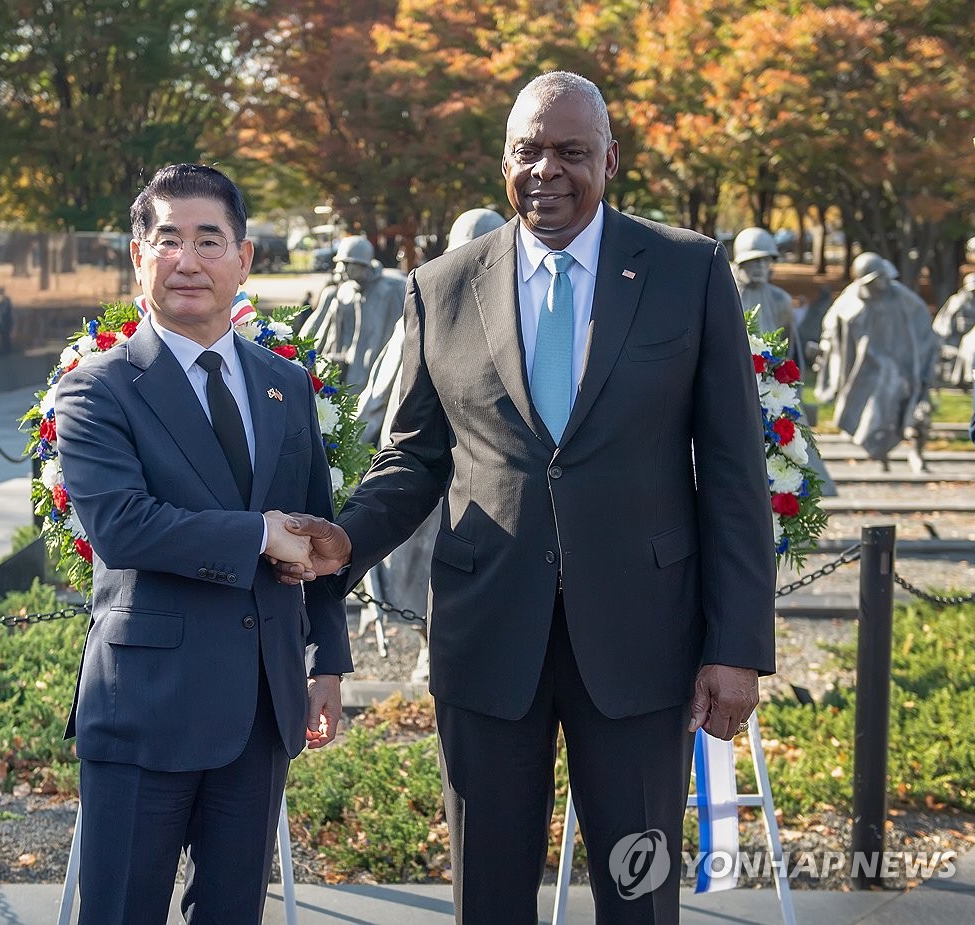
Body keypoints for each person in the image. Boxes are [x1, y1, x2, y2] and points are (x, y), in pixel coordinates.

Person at [278, 72, 775, 924]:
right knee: (490, 893)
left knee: (638, 888)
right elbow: (415, 456)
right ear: (503, 159)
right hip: (487, 637)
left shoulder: (688, 272)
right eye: (528, 150)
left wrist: (738, 645)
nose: (547, 170)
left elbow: (733, 472)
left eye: (571, 152)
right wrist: (345, 542)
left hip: (641, 638)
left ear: (610, 159)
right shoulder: (441, 285)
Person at [52, 163, 352, 925]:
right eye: (168, 240)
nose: (188, 260)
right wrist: (257, 534)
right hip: (144, 705)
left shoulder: (286, 387)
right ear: (137, 255)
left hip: (259, 707)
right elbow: (122, 524)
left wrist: (329, 663)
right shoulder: (97, 388)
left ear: (243, 258)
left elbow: (314, 531)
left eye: (209, 240)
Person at [355, 207, 507, 676]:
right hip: (419, 455)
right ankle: (427, 642)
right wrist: (358, 433)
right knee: (415, 559)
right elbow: (385, 382)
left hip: (478, 464)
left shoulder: (513, 307)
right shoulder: (430, 297)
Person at [814, 251, 939, 472]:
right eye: (876, 279)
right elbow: (831, 328)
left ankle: (915, 453)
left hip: (903, 367)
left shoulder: (901, 297)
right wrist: (825, 349)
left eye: (883, 277)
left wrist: (924, 363)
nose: (883, 283)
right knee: (874, 412)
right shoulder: (851, 300)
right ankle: (881, 454)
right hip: (866, 369)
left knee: (913, 410)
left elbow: (923, 331)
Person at [298, 235, 406, 389]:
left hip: (378, 371)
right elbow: (331, 333)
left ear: (362, 265)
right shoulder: (345, 291)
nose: (341, 269)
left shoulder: (389, 292)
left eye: (347, 264)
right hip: (348, 370)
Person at [731, 227, 801, 367]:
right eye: (755, 260)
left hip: (770, 379)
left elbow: (790, 350)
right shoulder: (726, 297)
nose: (761, 266)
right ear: (741, 262)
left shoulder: (781, 300)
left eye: (766, 260)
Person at [933, 272, 975, 385]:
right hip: (955, 334)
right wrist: (945, 336)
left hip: (974, 335)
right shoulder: (957, 300)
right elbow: (945, 320)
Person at [0, 287, 14, 353]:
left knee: (5, 336)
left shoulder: (5, 300)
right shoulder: (3, 299)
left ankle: (7, 350)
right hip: (4, 320)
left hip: (5, 320)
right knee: (4, 336)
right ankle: (6, 349)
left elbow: (4, 311)